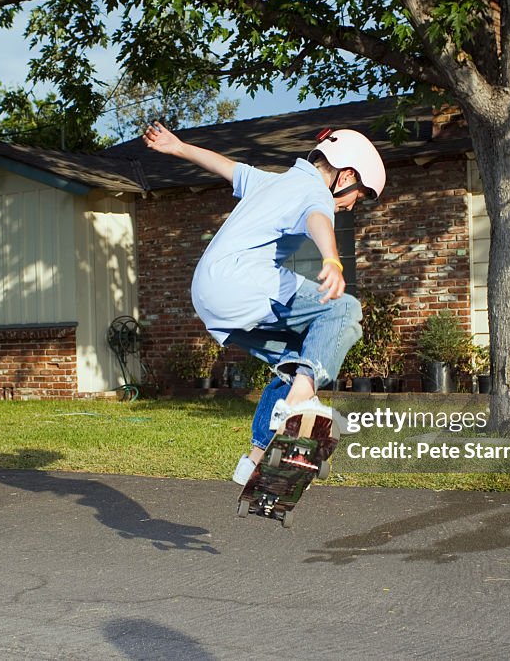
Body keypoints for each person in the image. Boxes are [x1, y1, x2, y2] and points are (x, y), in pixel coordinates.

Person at [142, 121, 386, 484]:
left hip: (209, 295)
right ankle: (299, 403)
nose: (351, 206)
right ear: (346, 175)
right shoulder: (315, 191)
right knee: (343, 309)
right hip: (243, 282)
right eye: (358, 196)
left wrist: (178, 147)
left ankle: (256, 457)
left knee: (300, 360)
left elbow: (225, 166)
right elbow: (319, 219)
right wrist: (332, 259)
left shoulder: (270, 181)